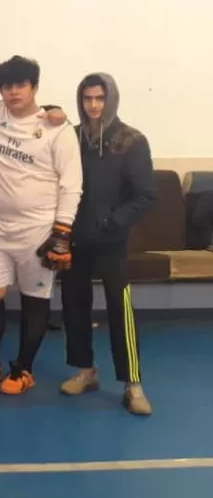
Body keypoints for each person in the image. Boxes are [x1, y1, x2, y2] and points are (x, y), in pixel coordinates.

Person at [0, 56, 82, 394]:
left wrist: (62, 233)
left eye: (20, 85)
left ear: (34, 87)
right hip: (0, 226)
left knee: (34, 299)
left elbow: (72, 185)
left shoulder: (58, 129)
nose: (13, 92)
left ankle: (23, 370)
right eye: (7, 86)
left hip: (39, 229)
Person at [60, 73, 155, 415]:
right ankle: (85, 370)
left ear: (110, 99)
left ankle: (132, 384)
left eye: (99, 98)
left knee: (120, 307)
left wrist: (111, 221)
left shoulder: (132, 140)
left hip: (112, 239)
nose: (93, 105)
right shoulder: (71, 138)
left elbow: (146, 195)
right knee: (74, 303)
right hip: (76, 238)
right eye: (87, 98)